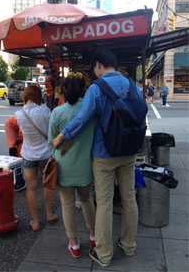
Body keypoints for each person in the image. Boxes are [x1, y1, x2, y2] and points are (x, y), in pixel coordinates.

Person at [53, 50, 140, 267]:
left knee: (103, 203)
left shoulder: (96, 88)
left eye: (94, 68)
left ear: (99, 65)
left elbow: (83, 118)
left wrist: (62, 135)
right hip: (129, 151)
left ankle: (104, 254)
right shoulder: (131, 85)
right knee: (129, 198)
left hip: (104, 154)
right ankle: (128, 245)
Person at [48, 72, 96, 258]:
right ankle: (93, 236)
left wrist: (56, 156)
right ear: (83, 90)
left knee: (67, 205)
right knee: (86, 201)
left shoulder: (57, 112)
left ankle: (74, 245)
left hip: (64, 167)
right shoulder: (91, 110)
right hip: (85, 166)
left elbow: (51, 141)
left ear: (65, 93)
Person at [15, 85, 58, 231]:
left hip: (28, 155)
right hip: (45, 154)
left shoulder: (19, 114)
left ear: (25, 96)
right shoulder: (45, 110)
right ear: (39, 96)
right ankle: (49, 214)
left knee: (31, 189)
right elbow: (52, 130)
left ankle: (35, 222)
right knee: (47, 184)